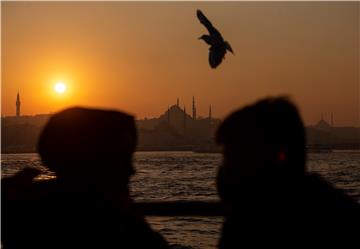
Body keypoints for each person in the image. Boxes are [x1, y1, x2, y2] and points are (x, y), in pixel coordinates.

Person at [2, 107, 169, 249]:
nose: (131, 170)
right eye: (120, 158)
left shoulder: (25, 209)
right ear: (92, 161)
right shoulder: (106, 221)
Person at [215, 97, 360, 247]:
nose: (227, 169)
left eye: (235, 157)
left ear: (276, 156)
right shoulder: (245, 215)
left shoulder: (249, 220)